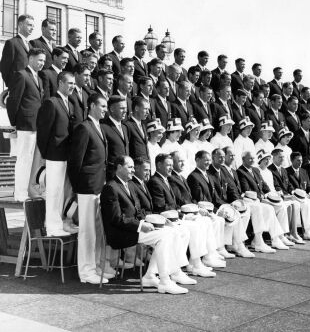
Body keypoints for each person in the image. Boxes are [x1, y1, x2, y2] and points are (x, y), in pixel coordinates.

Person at [100, 156, 190, 294]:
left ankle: (152, 275)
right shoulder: (110, 188)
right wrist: (141, 225)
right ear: (119, 167)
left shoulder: (129, 184)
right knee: (163, 237)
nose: (133, 170)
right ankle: (166, 280)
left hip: (133, 229)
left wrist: (155, 219)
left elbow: (138, 211)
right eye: (129, 167)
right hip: (121, 233)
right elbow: (116, 218)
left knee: (171, 231)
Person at [67, 93, 109, 285]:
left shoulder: (98, 127)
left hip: (98, 186)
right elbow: (76, 161)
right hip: (86, 188)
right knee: (87, 232)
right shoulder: (84, 128)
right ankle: (86, 272)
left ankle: (96, 267)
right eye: (102, 106)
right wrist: (79, 189)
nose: (105, 110)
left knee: (97, 231)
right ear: (91, 106)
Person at [36, 71, 77, 236]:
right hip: (54, 155)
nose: (72, 87)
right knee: (53, 191)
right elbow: (43, 132)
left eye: (74, 84)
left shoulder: (70, 103)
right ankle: (52, 228)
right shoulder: (51, 103)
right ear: (60, 83)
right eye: (69, 83)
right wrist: (46, 154)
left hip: (65, 155)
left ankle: (57, 224)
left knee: (61, 191)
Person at [7, 48, 46, 201]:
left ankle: (29, 191)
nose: (42, 63)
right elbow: (13, 101)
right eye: (39, 60)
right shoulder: (21, 75)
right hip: (25, 125)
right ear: (30, 59)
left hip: (37, 125)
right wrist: (15, 123)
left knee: (32, 160)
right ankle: (20, 193)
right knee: (24, 159)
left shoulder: (39, 78)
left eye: (43, 60)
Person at [237, 151, 292, 249]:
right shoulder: (240, 171)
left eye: (253, 158)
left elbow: (264, 186)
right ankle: (269, 239)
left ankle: (278, 237)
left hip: (261, 198)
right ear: (243, 159)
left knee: (280, 206)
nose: (252, 160)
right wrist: (261, 198)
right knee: (269, 208)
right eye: (250, 158)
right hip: (251, 200)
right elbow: (246, 189)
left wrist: (268, 195)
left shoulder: (255, 170)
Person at [208, 149, 255, 258]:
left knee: (245, 210)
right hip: (217, 205)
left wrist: (237, 201)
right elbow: (214, 196)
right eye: (219, 157)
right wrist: (229, 204)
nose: (222, 159)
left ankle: (234, 243)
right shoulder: (209, 172)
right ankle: (239, 245)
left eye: (223, 157)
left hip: (226, 203)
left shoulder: (223, 170)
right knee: (235, 213)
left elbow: (231, 189)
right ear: (213, 157)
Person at [269, 149, 310, 241]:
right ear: (273, 158)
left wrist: (293, 192)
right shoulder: (270, 170)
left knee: (309, 202)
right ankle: (293, 232)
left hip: (289, 195)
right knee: (299, 204)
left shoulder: (283, 170)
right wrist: (287, 195)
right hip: (279, 197)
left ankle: (309, 230)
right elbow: (276, 186)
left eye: (283, 157)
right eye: (280, 157)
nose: (282, 159)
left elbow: (289, 185)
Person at [0, 14, 34, 87]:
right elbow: (4, 67)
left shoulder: (31, 46)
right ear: (20, 25)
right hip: (16, 86)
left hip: (30, 86)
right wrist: (11, 84)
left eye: (33, 26)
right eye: (29, 25)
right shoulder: (12, 43)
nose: (32, 28)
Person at [101, 96, 129, 180]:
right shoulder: (103, 127)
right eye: (122, 108)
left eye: (126, 108)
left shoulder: (124, 127)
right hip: (111, 174)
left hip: (124, 174)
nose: (125, 111)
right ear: (112, 109)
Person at [125, 96, 150, 161]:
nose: (148, 112)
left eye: (148, 109)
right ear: (136, 108)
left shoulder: (143, 125)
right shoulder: (127, 125)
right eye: (145, 109)